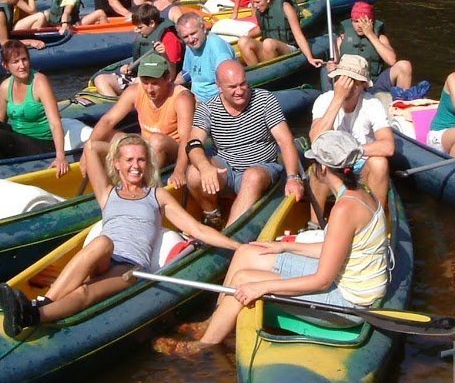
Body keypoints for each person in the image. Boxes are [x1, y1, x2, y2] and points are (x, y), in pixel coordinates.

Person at [157, 130, 388, 353]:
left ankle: (203, 347)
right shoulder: (361, 192)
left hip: (349, 303)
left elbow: (321, 281)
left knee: (244, 280)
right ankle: (215, 320)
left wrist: (264, 286)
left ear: (324, 168)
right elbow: (336, 249)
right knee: (248, 253)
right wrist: (284, 245)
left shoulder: (344, 209)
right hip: (346, 282)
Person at [0, 133, 242, 337]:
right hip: (103, 257)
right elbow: (91, 147)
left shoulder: (157, 196)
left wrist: (236, 246)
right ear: (116, 163)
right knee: (102, 242)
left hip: (129, 269)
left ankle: (33, 314)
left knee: (84, 291)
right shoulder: (107, 193)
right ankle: (44, 301)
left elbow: (196, 229)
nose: (135, 166)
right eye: (129, 160)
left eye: (142, 160)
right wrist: (124, 143)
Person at [185, 60, 305, 228]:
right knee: (193, 173)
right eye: (232, 87)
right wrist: (204, 166)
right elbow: (193, 143)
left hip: (261, 167)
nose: (240, 91)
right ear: (219, 86)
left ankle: (228, 234)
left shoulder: (264, 100)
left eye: (243, 84)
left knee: (252, 177)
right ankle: (212, 214)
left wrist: (293, 177)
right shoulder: (208, 108)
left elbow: (285, 140)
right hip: (227, 168)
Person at [83, 53, 195, 189]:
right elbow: (108, 121)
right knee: (113, 136)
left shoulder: (181, 98)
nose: (149, 89)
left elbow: (186, 140)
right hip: (146, 149)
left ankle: (143, 184)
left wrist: (180, 171)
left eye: (154, 84)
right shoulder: (134, 91)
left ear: (167, 78)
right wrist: (86, 155)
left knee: (156, 141)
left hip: (172, 150)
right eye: (145, 83)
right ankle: (109, 179)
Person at [0, 39, 67, 174]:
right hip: (17, 137)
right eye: (15, 62)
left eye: (24, 59)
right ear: (6, 65)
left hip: (43, 144)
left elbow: (55, 123)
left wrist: (61, 156)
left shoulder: (40, 82)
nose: (22, 65)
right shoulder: (5, 87)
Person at [310, 54, 394, 209]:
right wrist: (338, 99)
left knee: (380, 163)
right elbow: (315, 139)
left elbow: (388, 146)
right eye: (342, 79)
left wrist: (353, 151)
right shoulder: (324, 100)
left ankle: (377, 218)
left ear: (362, 85)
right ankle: (315, 224)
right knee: (317, 166)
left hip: (362, 161)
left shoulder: (372, 104)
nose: (346, 86)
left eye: (352, 81)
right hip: (333, 163)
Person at [333, 1, 423, 96]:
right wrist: (331, 66)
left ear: (371, 22)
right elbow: (335, 64)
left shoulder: (380, 38)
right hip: (352, 83)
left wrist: (370, 34)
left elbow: (392, 61)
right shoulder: (341, 39)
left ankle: (401, 104)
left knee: (405, 66)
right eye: (356, 21)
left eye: (364, 21)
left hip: (374, 82)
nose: (359, 26)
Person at [93, 3, 184, 97]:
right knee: (101, 79)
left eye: (140, 27)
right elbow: (139, 63)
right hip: (139, 78)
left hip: (156, 83)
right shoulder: (144, 35)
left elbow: (172, 76)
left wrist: (164, 54)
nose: (136, 30)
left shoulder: (170, 39)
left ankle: (126, 103)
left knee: (139, 81)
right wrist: (129, 68)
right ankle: (116, 106)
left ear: (152, 23)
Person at [237, 0, 323, 68]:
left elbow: (298, 34)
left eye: (258, 2)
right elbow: (262, 27)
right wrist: (246, 36)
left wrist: (310, 57)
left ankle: (270, 70)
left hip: (287, 47)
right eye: (253, 2)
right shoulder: (260, 9)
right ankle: (256, 72)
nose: (255, 6)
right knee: (243, 41)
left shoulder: (285, 7)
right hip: (269, 47)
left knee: (268, 43)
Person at [175, 11, 236, 102]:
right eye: (185, 37)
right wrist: (170, 87)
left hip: (214, 102)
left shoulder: (218, 51)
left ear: (203, 28)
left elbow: (229, 86)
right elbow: (187, 73)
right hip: (195, 98)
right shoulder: (190, 46)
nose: (191, 39)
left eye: (193, 33)